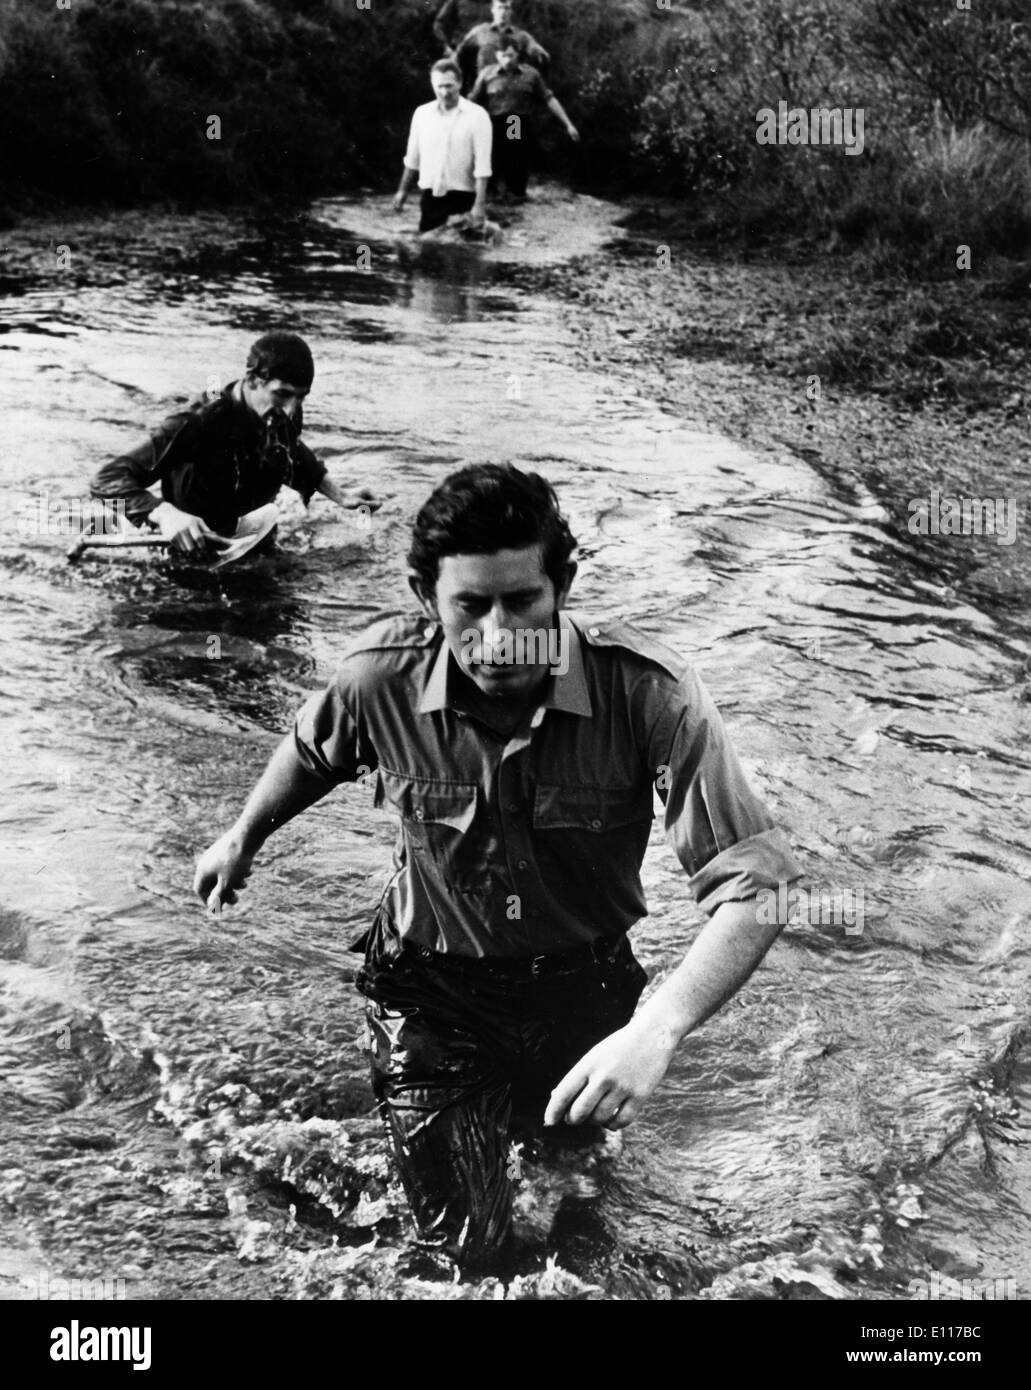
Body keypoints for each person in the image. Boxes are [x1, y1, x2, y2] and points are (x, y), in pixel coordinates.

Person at [194, 463, 803, 1273]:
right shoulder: (379, 678)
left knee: (566, 1200)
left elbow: (756, 887)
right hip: (431, 991)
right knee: (467, 1255)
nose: (497, 634)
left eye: (523, 601)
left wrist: (656, 1029)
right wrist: (243, 833)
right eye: (468, 606)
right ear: (425, 597)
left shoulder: (650, 694)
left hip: (584, 992)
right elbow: (313, 749)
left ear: (564, 585)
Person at [89, 332, 375, 558]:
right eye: (283, 395)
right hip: (191, 547)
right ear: (251, 380)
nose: (291, 410)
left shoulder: (282, 409)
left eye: (301, 397)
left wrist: (339, 494)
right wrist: (165, 513)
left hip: (251, 538)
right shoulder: (197, 422)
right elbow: (108, 478)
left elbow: (291, 450)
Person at [469, 36, 579, 200]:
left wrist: (568, 124)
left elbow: (548, 98)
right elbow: (472, 99)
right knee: (491, 156)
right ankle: (490, 193)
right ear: (497, 55)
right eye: (503, 55)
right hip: (493, 121)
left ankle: (516, 192)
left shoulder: (530, 74)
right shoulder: (487, 73)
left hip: (516, 120)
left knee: (516, 155)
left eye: (510, 55)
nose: (507, 59)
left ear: (518, 55)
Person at [393, 59, 493, 235]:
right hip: (431, 196)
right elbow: (412, 159)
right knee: (428, 252)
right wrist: (402, 192)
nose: (444, 92)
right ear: (432, 85)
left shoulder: (478, 116)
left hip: (464, 197)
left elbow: (483, 167)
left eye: (449, 86)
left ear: (460, 83)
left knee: (462, 255)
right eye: (439, 86)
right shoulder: (422, 114)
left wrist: (479, 206)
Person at [455, 0, 548, 78]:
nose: (503, 12)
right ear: (492, 10)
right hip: (484, 85)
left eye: (506, 8)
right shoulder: (480, 32)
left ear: (511, 11)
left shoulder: (521, 36)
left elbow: (536, 50)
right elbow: (460, 52)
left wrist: (538, 53)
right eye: (499, 8)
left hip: (510, 85)